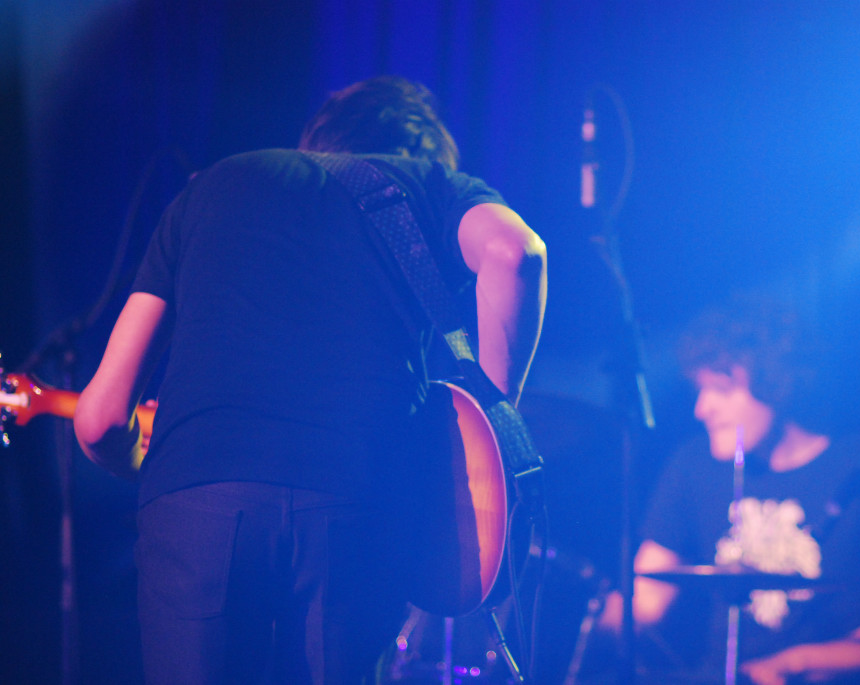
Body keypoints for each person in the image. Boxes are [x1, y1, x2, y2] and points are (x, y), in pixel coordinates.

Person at [73, 75, 547, 684]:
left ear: (319, 141)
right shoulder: (428, 185)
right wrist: (492, 423)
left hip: (197, 504)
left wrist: (157, 466)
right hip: (356, 503)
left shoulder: (211, 186)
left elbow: (100, 419)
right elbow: (516, 253)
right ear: (420, 154)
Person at [598, 295, 860, 685]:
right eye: (699, 390)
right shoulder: (692, 463)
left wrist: (795, 663)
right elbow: (646, 599)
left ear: (777, 384)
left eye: (721, 389)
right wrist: (579, 615)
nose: (702, 409)